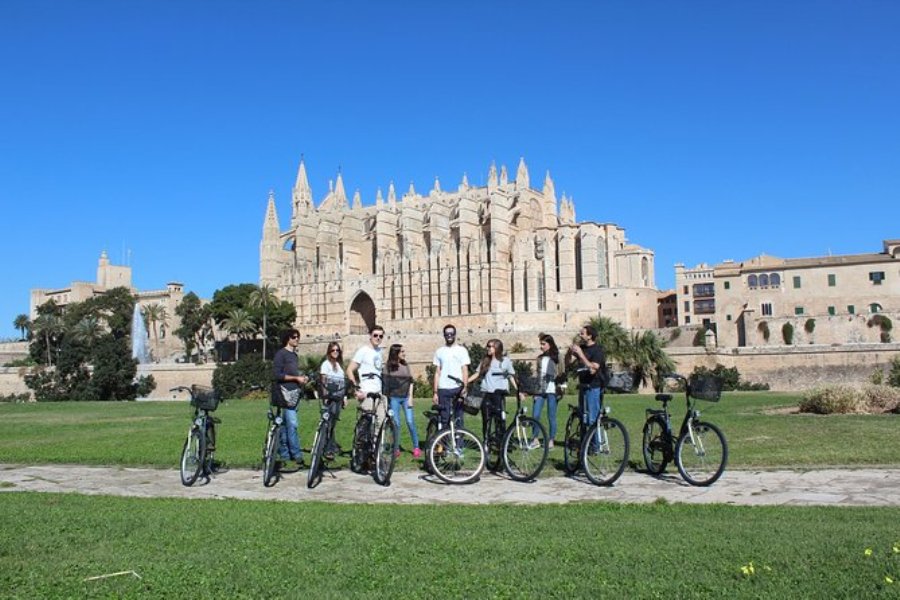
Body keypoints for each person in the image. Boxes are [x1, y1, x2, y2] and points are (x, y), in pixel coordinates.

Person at [469, 338, 520, 441]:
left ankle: (501, 442)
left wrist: (518, 391)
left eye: (490, 346)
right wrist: (465, 381)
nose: (488, 348)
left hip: (499, 394)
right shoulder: (485, 361)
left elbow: (511, 376)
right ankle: (486, 441)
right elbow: (477, 374)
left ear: (497, 347)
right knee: (486, 419)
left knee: (500, 419)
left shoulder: (505, 361)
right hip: (486, 393)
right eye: (487, 346)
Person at [273, 328, 310, 469]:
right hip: (284, 393)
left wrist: (302, 378)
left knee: (285, 425)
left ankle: (284, 453)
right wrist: (296, 378)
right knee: (293, 424)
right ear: (287, 339)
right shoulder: (281, 354)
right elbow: (277, 374)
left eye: (298, 337)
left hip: (294, 393)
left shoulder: (294, 355)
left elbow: (294, 373)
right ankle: (296, 454)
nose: (297, 339)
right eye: (294, 337)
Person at [567, 324, 607, 430]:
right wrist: (569, 352)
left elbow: (594, 366)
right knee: (583, 417)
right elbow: (568, 363)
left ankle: (596, 445)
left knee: (592, 418)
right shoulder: (582, 348)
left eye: (582, 333)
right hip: (583, 386)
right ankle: (585, 444)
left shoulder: (598, 350)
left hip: (593, 387)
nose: (580, 335)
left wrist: (581, 354)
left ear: (590, 336)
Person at [384, 344, 421, 458]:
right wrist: (387, 402)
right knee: (396, 424)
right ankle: (396, 448)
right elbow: (385, 386)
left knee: (410, 422)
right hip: (394, 398)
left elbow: (411, 382)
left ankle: (416, 447)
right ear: (396, 353)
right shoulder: (388, 367)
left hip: (405, 398)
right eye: (402, 351)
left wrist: (410, 397)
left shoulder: (406, 365)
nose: (404, 353)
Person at [432, 323, 470, 428]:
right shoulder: (439, 351)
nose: (449, 336)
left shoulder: (462, 350)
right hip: (443, 388)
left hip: (458, 387)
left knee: (459, 417)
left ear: (455, 334)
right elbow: (437, 372)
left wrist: (465, 387)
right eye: (447, 334)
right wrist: (435, 392)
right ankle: (444, 442)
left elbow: (465, 370)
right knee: (444, 418)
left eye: (451, 333)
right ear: (444, 335)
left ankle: (458, 443)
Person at [346, 325, 386, 418]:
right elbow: (349, 370)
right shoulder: (363, 351)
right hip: (366, 392)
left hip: (379, 392)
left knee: (380, 423)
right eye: (375, 335)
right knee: (366, 423)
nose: (378, 338)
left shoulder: (380, 351)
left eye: (381, 336)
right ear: (370, 336)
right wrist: (356, 389)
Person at [319, 341, 348, 457]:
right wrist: (325, 396)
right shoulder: (326, 364)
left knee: (333, 422)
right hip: (330, 397)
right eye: (333, 350)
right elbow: (323, 380)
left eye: (337, 350)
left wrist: (345, 397)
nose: (335, 352)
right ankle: (327, 448)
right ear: (329, 352)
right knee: (328, 422)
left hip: (338, 397)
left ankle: (330, 446)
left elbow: (342, 382)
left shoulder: (339, 365)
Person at [532, 333, 560, 448]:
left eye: (543, 344)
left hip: (552, 390)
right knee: (535, 415)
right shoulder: (539, 358)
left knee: (551, 416)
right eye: (541, 344)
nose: (541, 346)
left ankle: (551, 440)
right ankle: (535, 439)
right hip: (540, 390)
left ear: (550, 344)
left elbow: (562, 373)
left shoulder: (557, 357)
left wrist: (561, 388)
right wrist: (534, 391)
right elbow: (537, 374)